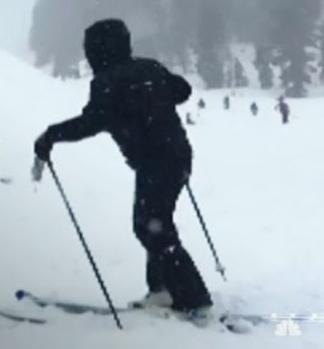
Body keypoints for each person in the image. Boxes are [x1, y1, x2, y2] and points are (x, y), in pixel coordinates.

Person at [33, 19, 212, 320]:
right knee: (154, 223)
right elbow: (181, 90)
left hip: (157, 162)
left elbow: (91, 122)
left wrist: (50, 135)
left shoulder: (107, 82)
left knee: (152, 227)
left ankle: (195, 301)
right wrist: (156, 90)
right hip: (178, 157)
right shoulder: (149, 68)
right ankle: (162, 290)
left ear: (97, 51)